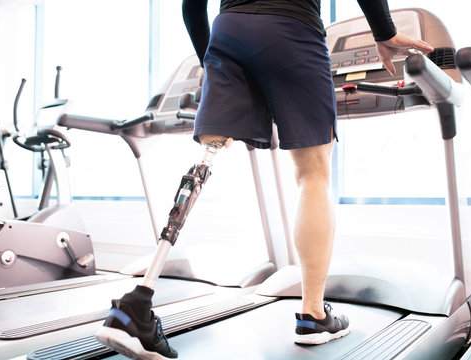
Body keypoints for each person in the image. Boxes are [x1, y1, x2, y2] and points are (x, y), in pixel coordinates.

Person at [95, 1, 434, 359]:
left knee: (207, 155)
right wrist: (384, 32)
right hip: (292, 28)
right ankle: (314, 316)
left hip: (229, 31)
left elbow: (192, 5)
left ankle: (135, 305)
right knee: (313, 172)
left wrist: (212, 61)